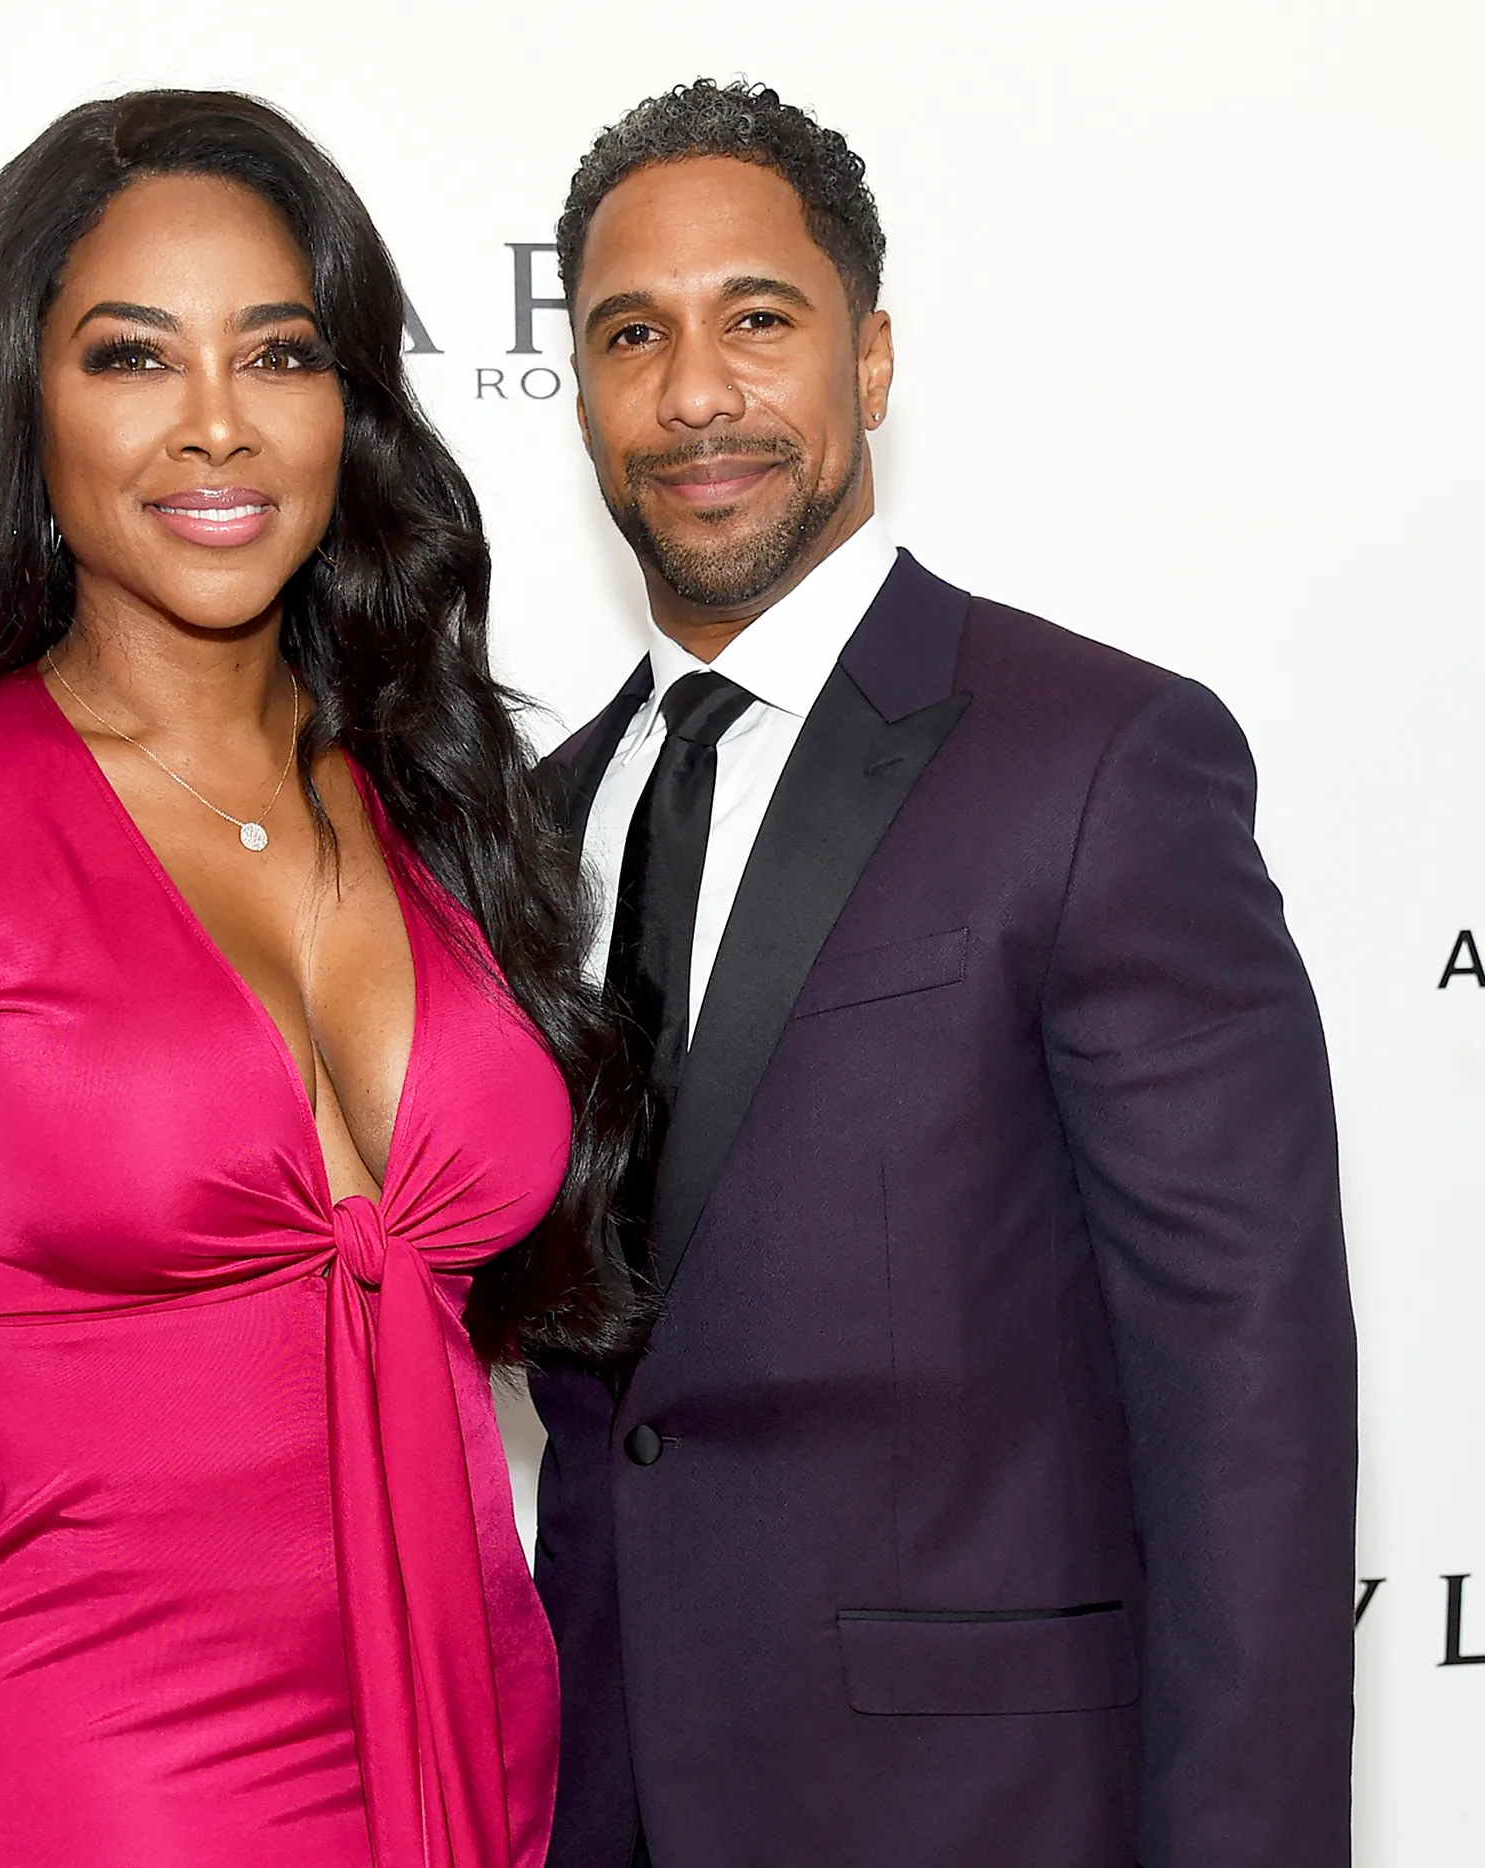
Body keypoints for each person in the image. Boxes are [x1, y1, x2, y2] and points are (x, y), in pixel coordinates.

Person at [0, 90, 638, 1868]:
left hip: (480, 1735)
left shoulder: (440, 793)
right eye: (133, 359)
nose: (216, 428)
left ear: (349, 406)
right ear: (28, 404)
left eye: (280, 354)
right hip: (110, 1770)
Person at [529, 79, 1356, 1868]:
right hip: (600, 1804)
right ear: (582, 389)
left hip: (979, 1817)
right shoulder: (535, 822)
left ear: (872, 357)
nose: (694, 394)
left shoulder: (1100, 758)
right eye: (631, 335)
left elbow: (1251, 1405)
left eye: (759, 319)